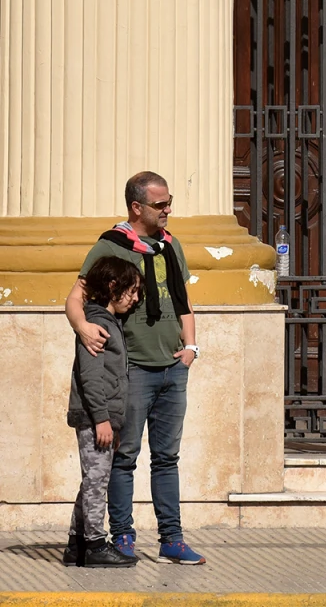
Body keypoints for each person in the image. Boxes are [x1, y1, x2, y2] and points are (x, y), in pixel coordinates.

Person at [65, 171, 206, 565]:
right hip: (135, 371)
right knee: (124, 457)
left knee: (167, 458)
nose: (168, 210)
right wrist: (83, 327)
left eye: (169, 201)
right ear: (136, 207)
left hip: (173, 368)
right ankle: (122, 536)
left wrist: (191, 347)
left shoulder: (170, 245)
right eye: (160, 204)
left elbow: (183, 299)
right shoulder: (111, 246)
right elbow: (75, 297)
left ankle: (171, 539)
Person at [62, 257, 144, 568]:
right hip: (94, 417)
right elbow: (91, 376)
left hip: (105, 418)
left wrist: (114, 421)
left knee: (93, 480)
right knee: (96, 481)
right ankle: (96, 546)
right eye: (132, 291)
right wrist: (102, 419)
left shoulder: (109, 323)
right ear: (112, 286)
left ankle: (77, 545)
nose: (135, 298)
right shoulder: (95, 324)